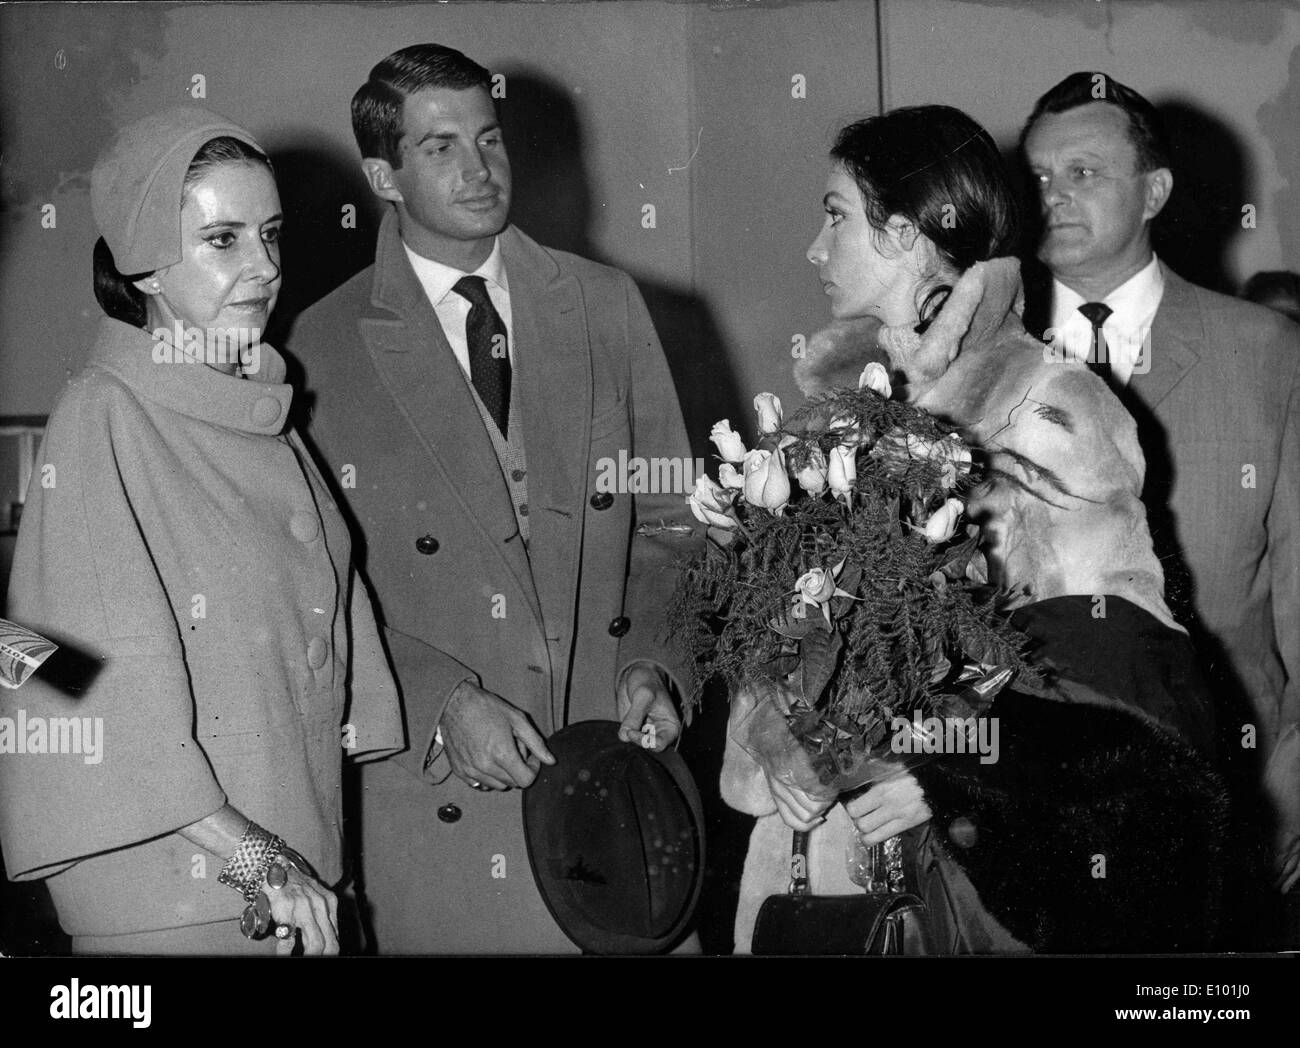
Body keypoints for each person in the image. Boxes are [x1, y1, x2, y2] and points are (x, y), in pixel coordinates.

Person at [722, 105, 1227, 954]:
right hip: (803, 876)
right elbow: (777, 643)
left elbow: (1116, 668)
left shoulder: (1052, 407)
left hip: (963, 887)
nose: (815, 247)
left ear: (909, 235)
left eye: (836, 214)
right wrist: (779, 744)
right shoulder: (827, 422)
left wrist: (952, 771)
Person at [288, 44, 697, 953]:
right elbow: (311, 594)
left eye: (489, 139)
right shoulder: (321, 345)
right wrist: (439, 702)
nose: (479, 171)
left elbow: (674, 528)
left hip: (615, 797)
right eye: (440, 149)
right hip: (443, 809)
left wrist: (659, 664)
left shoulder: (604, 306)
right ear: (381, 174)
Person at [0, 108, 404, 955]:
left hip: (290, 883)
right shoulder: (104, 413)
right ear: (145, 268)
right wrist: (252, 852)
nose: (264, 267)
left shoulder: (261, 413)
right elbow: (63, 669)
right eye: (222, 240)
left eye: (271, 233)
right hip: (177, 898)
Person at [1020, 73, 1300, 916]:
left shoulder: (1263, 352)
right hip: (1037, 804)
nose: (1053, 197)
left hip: (1238, 789)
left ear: (1156, 191)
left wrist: (1291, 787)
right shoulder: (989, 352)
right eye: (1036, 177)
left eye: (1083, 173)